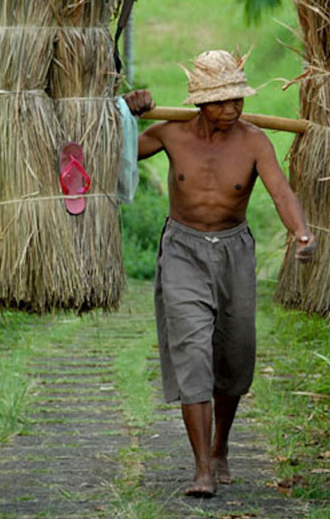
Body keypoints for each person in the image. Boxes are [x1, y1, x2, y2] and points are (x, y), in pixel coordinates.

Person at [124, 50, 316, 499]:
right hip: (182, 250)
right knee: (191, 351)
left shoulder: (253, 142)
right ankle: (202, 467)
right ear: (200, 102)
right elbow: (117, 152)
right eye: (222, 102)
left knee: (233, 355)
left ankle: (222, 445)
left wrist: (302, 234)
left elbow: (281, 192)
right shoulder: (171, 134)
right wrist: (122, 112)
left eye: (237, 100)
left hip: (234, 253)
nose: (232, 109)